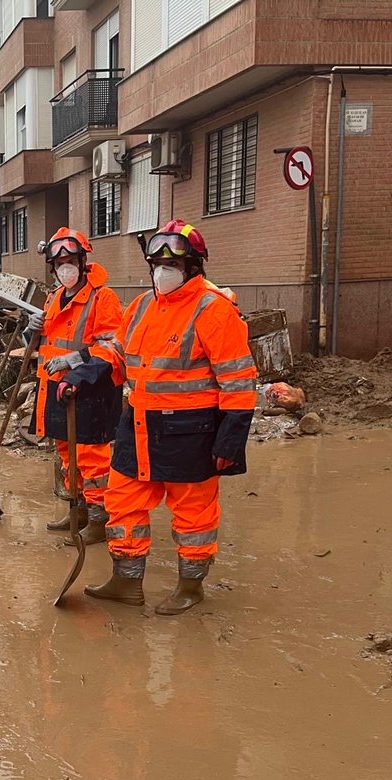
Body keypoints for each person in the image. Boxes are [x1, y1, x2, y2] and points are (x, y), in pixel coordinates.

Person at [85, 219, 257, 616]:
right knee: (122, 499)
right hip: (139, 424)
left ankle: (190, 586)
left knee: (193, 512)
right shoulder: (144, 305)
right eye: (157, 264)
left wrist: (230, 440)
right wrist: (87, 369)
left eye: (172, 265)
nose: (163, 272)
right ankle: (126, 581)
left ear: (194, 267)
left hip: (190, 432)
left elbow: (239, 380)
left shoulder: (214, 310)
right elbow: (120, 352)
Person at [28, 227, 124, 543]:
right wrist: (33, 330)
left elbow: (112, 348)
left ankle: (99, 519)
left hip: (90, 391)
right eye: (58, 263)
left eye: (70, 260)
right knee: (67, 454)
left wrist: (73, 364)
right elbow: (47, 346)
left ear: (82, 261)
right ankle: (78, 510)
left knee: (92, 458)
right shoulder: (55, 298)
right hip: (56, 389)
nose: (64, 267)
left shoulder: (103, 298)